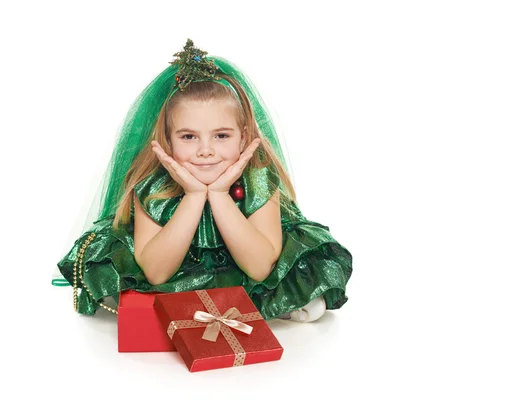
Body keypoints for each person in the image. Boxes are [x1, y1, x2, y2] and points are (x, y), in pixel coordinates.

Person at [55, 39, 352, 322]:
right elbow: (157, 273)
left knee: (298, 274)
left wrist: (221, 195)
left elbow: (261, 268)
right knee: (133, 285)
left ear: (244, 138)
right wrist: (195, 195)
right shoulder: (152, 186)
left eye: (221, 135)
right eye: (188, 137)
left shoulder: (258, 179)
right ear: (168, 142)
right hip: (176, 268)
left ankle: (279, 303)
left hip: (245, 263)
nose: (205, 150)